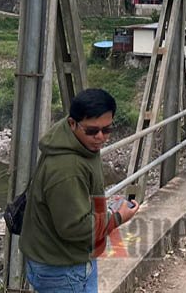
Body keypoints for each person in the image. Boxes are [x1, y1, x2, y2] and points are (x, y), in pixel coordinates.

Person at [20, 88, 140, 293]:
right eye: (92, 131)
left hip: (70, 258)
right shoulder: (68, 169)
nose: (101, 137)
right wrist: (118, 217)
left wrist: (105, 205)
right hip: (61, 268)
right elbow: (75, 227)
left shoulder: (77, 141)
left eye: (107, 129)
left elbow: (76, 198)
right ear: (72, 123)